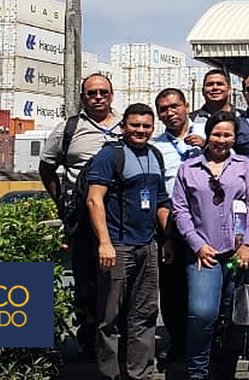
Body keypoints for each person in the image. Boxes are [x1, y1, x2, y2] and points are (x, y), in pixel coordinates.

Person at [171, 111, 249, 380]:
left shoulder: (245, 165)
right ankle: (198, 371)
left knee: (232, 315)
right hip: (204, 253)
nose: (221, 140)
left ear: (234, 137)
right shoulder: (188, 169)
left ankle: (225, 371)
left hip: (237, 253)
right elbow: (180, 209)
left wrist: (248, 243)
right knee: (202, 313)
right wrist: (196, 244)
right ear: (207, 135)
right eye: (216, 134)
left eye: (227, 135)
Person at [85, 104, 170, 380]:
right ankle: (110, 375)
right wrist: (104, 243)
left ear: (152, 128)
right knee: (109, 318)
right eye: (135, 125)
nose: (140, 130)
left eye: (146, 126)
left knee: (144, 315)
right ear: (123, 126)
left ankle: (140, 374)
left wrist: (167, 239)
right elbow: (94, 199)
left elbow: (159, 201)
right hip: (118, 246)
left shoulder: (154, 154)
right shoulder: (111, 155)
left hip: (148, 245)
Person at [38, 73, 120, 356]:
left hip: (120, 218)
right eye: (91, 93)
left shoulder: (128, 126)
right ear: (82, 97)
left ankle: (117, 340)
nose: (98, 98)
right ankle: (88, 339)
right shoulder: (68, 129)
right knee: (86, 280)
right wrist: (62, 202)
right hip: (83, 220)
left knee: (120, 281)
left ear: (112, 95)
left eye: (103, 92)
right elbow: (47, 167)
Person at [152, 87, 201, 362]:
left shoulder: (208, 131)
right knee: (172, 288)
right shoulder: (156, 145)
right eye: (164, 109)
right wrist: (167, 235)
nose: (170, 113)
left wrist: (206, 145)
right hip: (171, 222)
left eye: (174, 106)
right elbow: (159, 190)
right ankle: (179, 342)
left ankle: (209, 342)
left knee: (207, 287)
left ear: (186, 106)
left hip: (207, 221)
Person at [188, 68, 238, 141]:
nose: (215, 87)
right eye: (210, 84)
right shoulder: (190, 120)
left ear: (229, 90)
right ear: (203, 91)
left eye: (220, 84)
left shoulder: (242, 118)